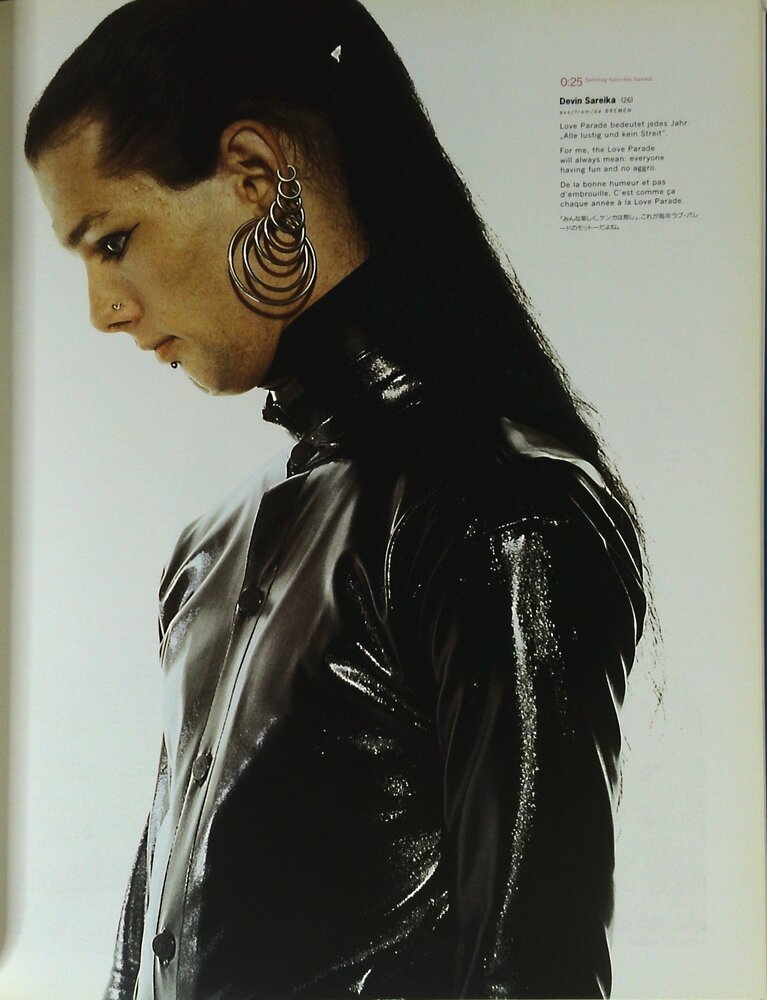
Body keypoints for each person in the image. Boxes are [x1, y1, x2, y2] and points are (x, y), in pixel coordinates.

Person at [25, 0, 647, 997]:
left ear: (253, 175)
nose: (105, 311)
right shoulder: (207, 551)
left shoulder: (504, 510)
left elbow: (533, 975)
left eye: (112, 241)